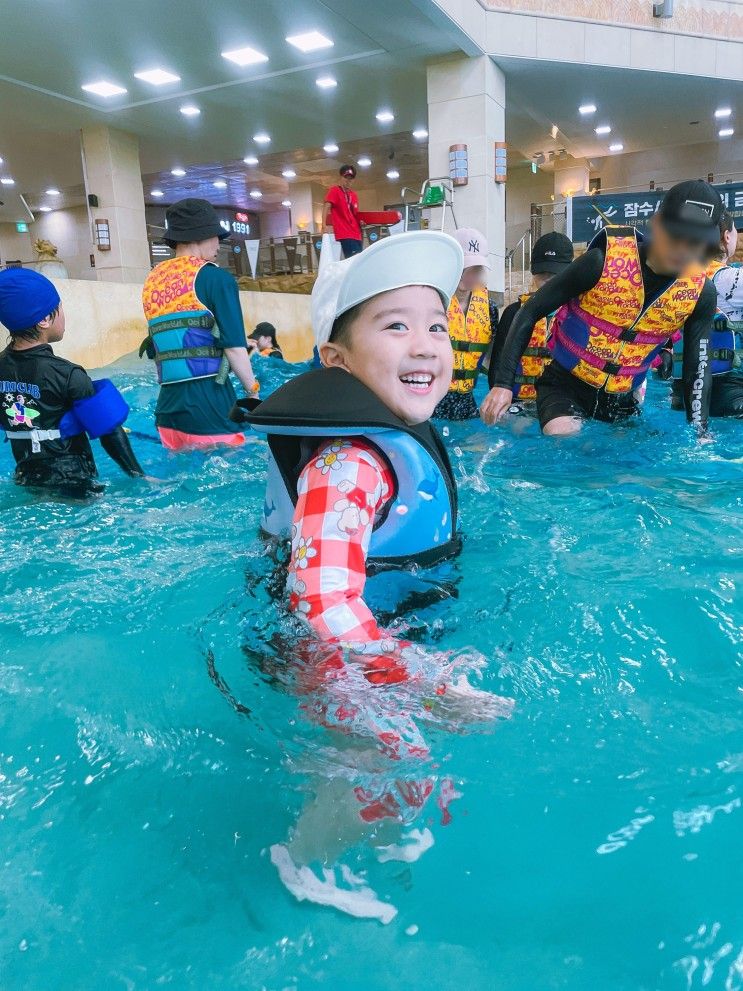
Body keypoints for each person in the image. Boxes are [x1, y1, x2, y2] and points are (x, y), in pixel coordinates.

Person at [481, 179, 720, 436]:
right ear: (657, 223)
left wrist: (700, 432)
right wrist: (503, 385)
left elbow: (698, 365)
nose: (684, 250)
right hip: (565, 386)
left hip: (622, 400)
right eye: (677, 236)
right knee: (568, 444)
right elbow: (530, 311)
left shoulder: (701, 294)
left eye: (695, 243)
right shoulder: (600, 262)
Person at [0, 268, 144, 496]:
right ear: (45, 319)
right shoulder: (67, 374)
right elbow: (108, 431)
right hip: (74, 481)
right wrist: (139, 475)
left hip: (27, 478)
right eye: (59, 306)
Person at [140, 198, 257, 451]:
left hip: (168, 412)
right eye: (216, 236)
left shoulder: (152, 281)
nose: (218, 243)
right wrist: (254, 392)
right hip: (210, 407)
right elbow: (235, 347)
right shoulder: (216, 279)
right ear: (200, 236)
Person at [488, 231, 574, 413]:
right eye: (542, 273)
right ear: (533, 272)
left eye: (555, 273)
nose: (548, 279)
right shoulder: (513, 313)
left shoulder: (577, 313)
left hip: (562, 405)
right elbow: (497, 366)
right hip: (519, 404)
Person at [670, 210, 743, 418]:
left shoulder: (678, 277)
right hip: (730, 394)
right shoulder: (730, 279)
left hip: (681, 395)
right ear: (727, 236)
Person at [434, 228, 498, 420]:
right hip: (431, 401)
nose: (469, 274)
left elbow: (495, 359)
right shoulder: (433, 301)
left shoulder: (489, 308)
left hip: (468, 405)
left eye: (475, 268)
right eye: (463, 267)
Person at [322, 164, 363, 259]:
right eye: (346, 177)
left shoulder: (354, 195)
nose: (348, 180)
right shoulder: (335, 191)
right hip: (345, 233)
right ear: (341, 177)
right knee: (353, 261)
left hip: (357, 234)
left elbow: (355, 214)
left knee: (358, 261)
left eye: (351, 178)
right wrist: (323, 225)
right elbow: (326, 206)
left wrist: (361, 222)